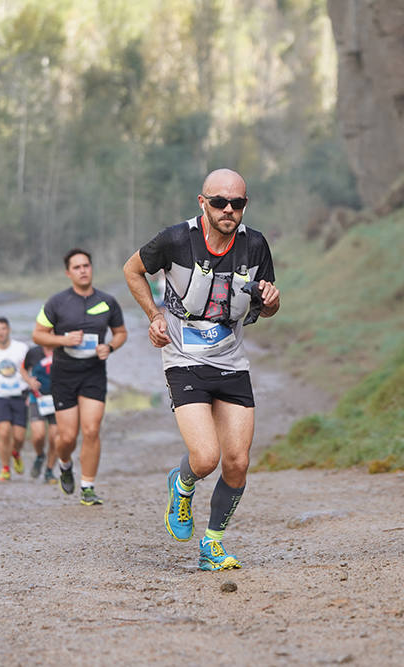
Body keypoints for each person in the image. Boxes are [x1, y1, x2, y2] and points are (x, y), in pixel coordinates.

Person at [123, 168, 280, 571]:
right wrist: (154, 315)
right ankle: (183, 484)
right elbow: (132, 270)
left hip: (231, 360)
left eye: (237, 203)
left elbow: (266, 305)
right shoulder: (175, 239)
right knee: (206, 456)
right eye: (219, 202)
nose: (229, 210)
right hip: (184, 358)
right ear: (202, 202)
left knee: (237, 462)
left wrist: (273, 299)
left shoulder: (256, 245)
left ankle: (212, 545)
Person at [32, 248, 127, 505]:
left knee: (92, 429)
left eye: (86, 265)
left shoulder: (107, 301)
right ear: (68, 273)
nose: (83, 270)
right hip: (64, 374)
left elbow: (120, 332)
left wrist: (110, 347)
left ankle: (87, 487)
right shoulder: (56, 302)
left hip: (94, 372)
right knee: (67, 437)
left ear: (91, 268)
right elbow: (38, 335)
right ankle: (64, 463)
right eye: (77, 267)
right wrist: (62, 339)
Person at [0, 317, 34, 481]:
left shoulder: (22, 348)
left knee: (19, 437)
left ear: (8, 330)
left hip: (20, 395)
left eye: (3, 328)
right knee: (4, 433)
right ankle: (5, 468)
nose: (1, 332)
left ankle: (16, 453)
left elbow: (32, 369)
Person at [23, 343, 59, 484]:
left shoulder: (62, 350)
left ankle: (49, 471)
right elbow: (23, 369)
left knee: (54, 438)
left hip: (58, 399)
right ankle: (39, 456)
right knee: (38, 436)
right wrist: (29, 380)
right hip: (37, 398)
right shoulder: (33, 352)